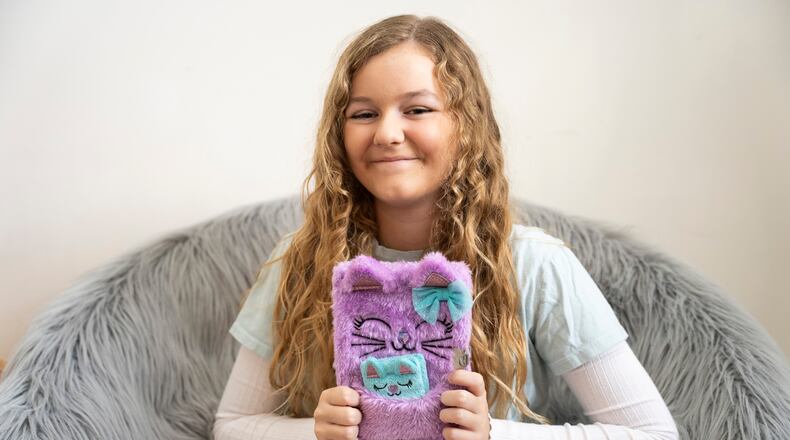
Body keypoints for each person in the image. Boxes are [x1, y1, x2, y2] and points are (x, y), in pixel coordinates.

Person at [213, 14, 679, 440]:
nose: (387, 133)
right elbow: (231, 425)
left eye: (417, 110)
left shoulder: (535, 264)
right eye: (363, 113)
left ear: (467, 126)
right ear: (339, 134)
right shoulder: (303, 259)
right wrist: (313, 433)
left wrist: (494, 435)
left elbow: (653, 433)